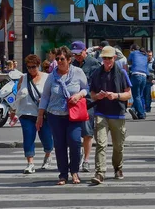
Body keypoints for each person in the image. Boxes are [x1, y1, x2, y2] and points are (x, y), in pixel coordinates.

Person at [37, 46, 88, 185]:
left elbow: (86, 88)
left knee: (75, 141)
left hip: (73, 115)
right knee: (59, 145)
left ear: (69, 60)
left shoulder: (78, 72)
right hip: (55, 115)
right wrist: (40, 115)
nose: (59, 61)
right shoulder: (52, 76)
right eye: (57, 59)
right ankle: (63, 174)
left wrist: (79, 95)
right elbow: (45, 96)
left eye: (62, 59)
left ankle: (75, 171)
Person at [89, 46, 133, 184]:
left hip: (117, 113)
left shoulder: (121, 73)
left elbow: (129, 94)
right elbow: (92, 94)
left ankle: (118, 167)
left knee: (118, 146)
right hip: (101, 112)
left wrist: (116, 95)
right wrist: (99, 96)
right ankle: (100, 172)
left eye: (109, 58)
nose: (107, 61)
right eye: (104, 58)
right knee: (101, 144)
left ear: (114, 58)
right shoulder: (96, 73)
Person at [15, 54, 53, 174]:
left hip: (43, 114)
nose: (31, 69)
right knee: (28, 137)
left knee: (46, 137)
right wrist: (13, 111)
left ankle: (48, 154)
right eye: (29, 67)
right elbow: (18, 95)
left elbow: (53, 94)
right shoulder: (23, 78)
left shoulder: (47, 77)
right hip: (26, 113)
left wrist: (45, 100)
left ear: (39, 66)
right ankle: (30, 163)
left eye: (34, 67)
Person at [70, 41, 101, 173]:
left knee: (88, 132)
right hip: (74, 103)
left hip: (88, 102)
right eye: (74, 54)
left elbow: (96, 83)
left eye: (79, 54)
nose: (77, 57)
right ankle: (77, 156)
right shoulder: (72, 65)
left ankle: (87, 160)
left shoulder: (94, 64)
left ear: (85, 51)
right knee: (74, 133)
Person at [128, 44, 149, 120]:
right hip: (144, 76)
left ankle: (141, 113)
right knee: (139, 95)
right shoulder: (144, 55)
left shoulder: (133, 53)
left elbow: (129, 61)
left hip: (136, 75)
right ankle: (133, 109)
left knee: (136, 96)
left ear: (132, 49)